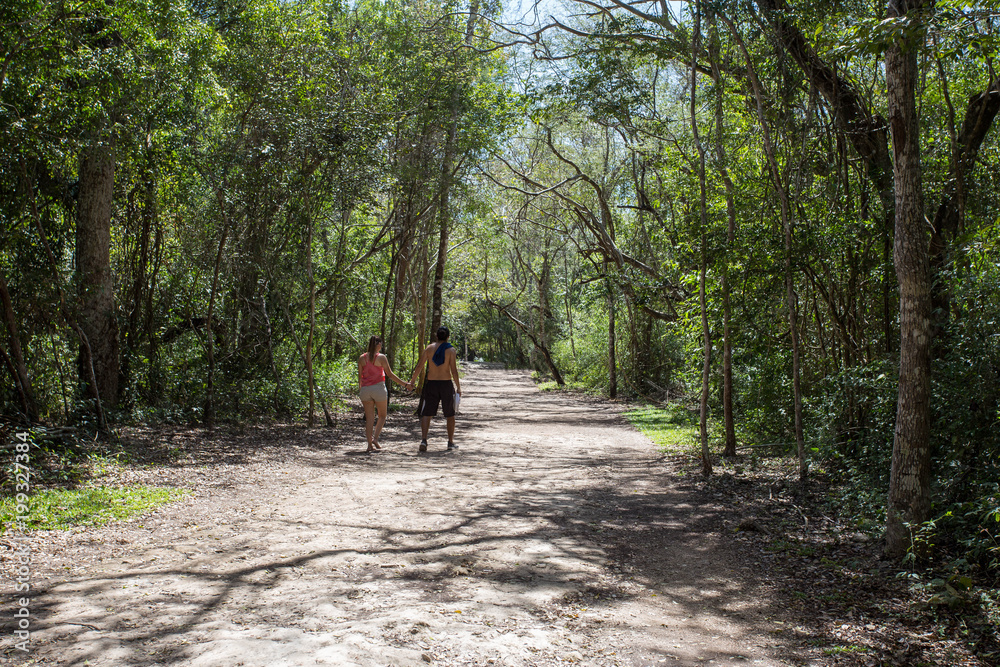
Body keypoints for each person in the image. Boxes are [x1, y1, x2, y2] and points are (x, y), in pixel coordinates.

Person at [410, 326, 461, 452]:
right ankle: (450, 442)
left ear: (437, 336)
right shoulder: (451, 350)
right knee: (450, 414)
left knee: (427, 413)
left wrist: (412, 381)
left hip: (432, 384)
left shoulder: (429, 348)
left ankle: (424, 440)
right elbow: (454, 371)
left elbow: (419, 366)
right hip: (445, 384)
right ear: (448, 337)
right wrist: (458, 387)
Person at [358, 335, 412, 453]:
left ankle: (369, 445)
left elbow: (360, 378)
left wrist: (361, 390)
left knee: (369, 419)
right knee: (382, 415)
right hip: (378, 389)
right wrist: (405, 384)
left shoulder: (362, 358)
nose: (381, 346)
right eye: (380, 343)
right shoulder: (381, 358)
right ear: (377, 344)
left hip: (365, 390)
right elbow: (390, 375)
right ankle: (375, 438)